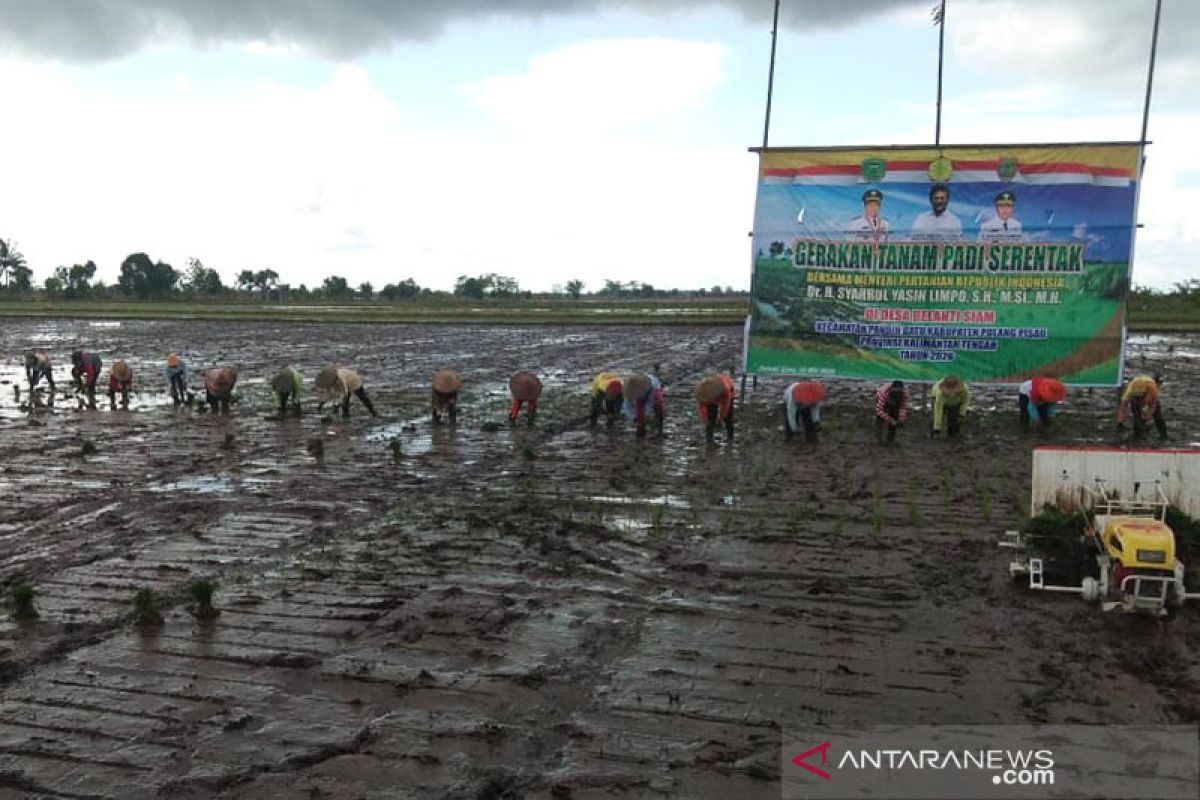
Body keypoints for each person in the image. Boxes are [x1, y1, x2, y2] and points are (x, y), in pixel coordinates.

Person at [1117, 374, 1167, 438]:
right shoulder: (1129, 394)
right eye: (1138, 398)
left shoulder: (1153, 391)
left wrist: (1146, 418)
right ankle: (1137, 435)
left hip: (1146, 385)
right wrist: (1120, 423)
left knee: (1157, 416)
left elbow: (1153, 407)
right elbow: (1123, 408)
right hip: (1138, 385)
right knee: (1137, 416)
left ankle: (1163, 435)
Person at [623, 370, 664, 437]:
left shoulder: (652, 387)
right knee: (639, 409)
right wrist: (634, 419)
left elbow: (650, 403)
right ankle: (641, 429)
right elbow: (626, 407)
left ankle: (660, 425)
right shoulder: (629, 389)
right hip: (642, 392)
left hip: (655, 390)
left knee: (658, 404)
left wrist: (647, 415)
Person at [695, 373, 735, 440]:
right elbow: (702, 408)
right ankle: (709, 438)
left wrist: (721, 418)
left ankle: (730, 437)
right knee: (710, 417)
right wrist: (706, 420)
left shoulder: (725, 389)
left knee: (728, 418)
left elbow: (725, 406)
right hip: (711, 394)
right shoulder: (702, 392)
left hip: (727, 392)